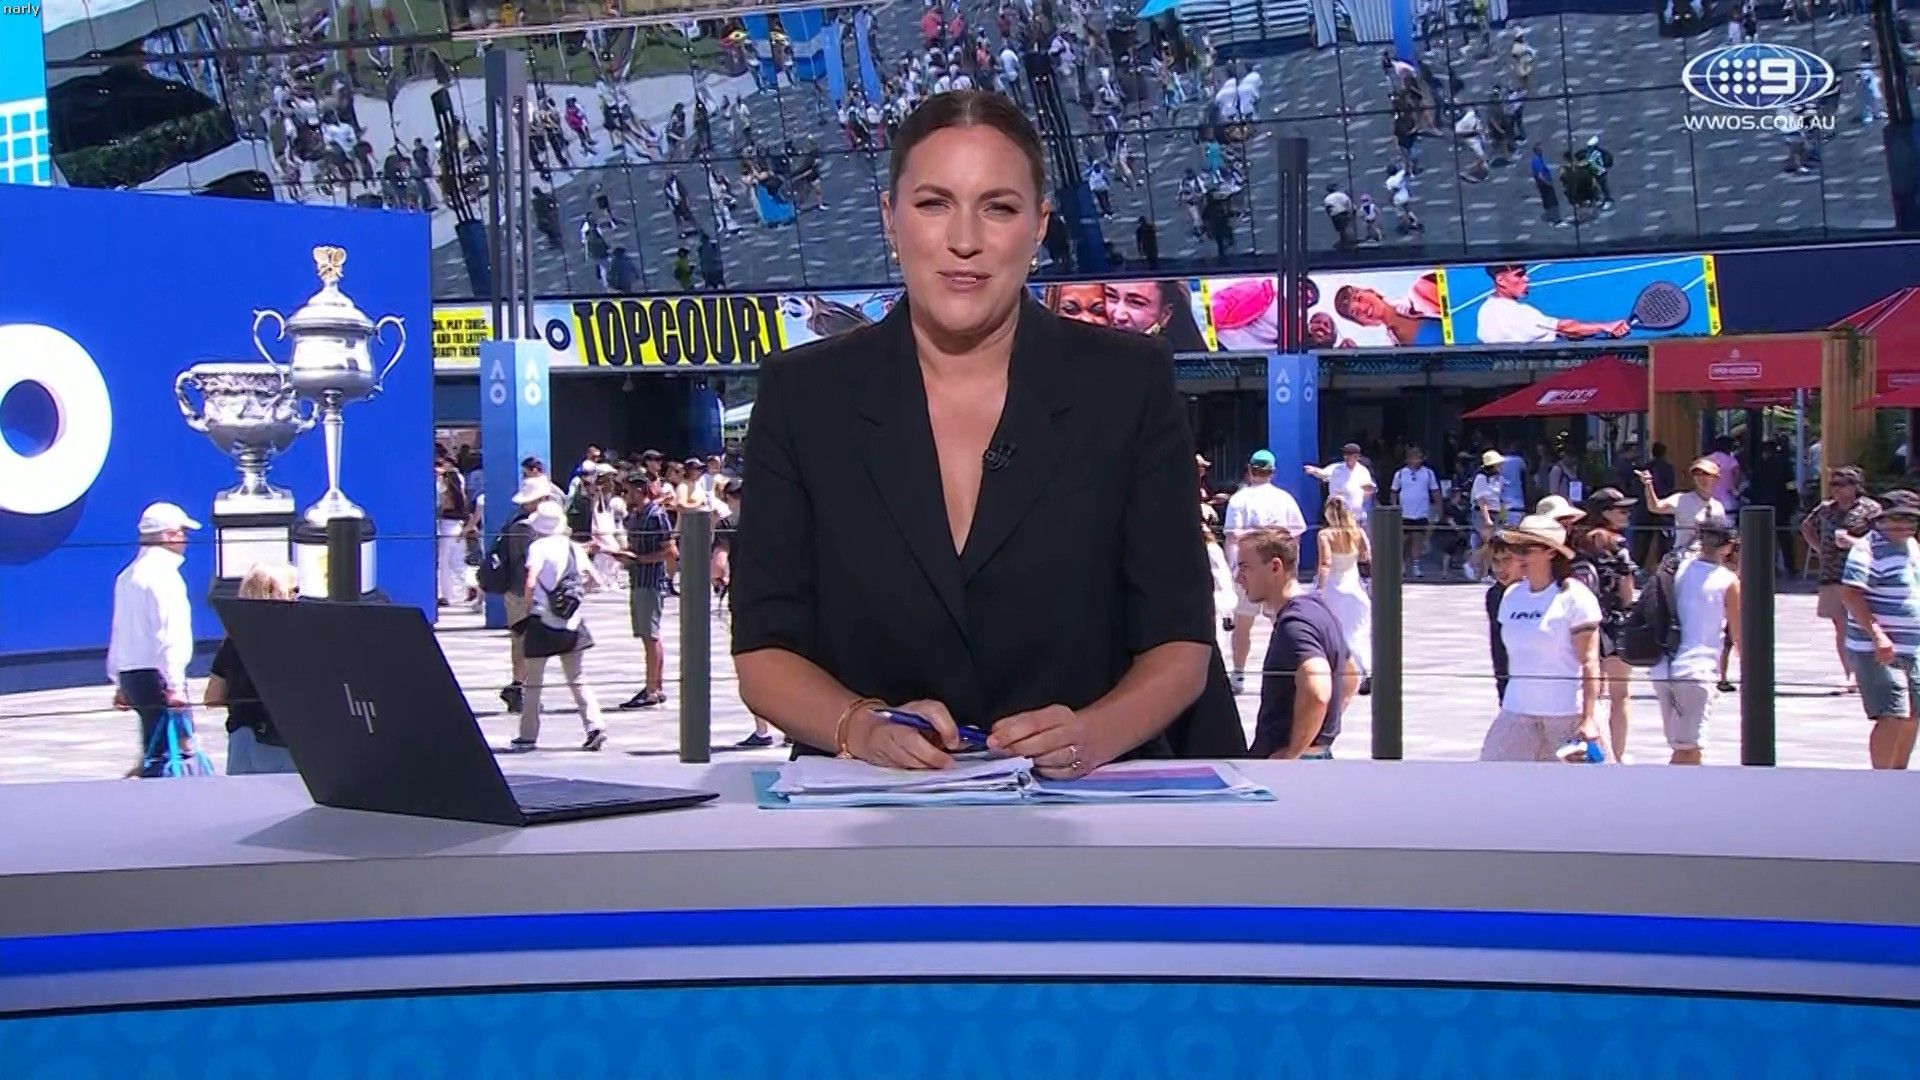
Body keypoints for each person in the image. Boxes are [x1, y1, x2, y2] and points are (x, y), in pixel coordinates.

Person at [729, 90, 1245, 774]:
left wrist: (1093, 735)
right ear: (889, 219)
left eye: (998, 208)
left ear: (1039, 227)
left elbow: (1180, 643)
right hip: (870, 810)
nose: (964, 240)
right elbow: (764, 650)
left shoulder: (1128, 385)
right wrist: (858, 726)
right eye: (933, 204)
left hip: (1088, 808)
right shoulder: (804, 395)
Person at [1479, 514, 1607, 762]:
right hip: (1516, 711)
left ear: (1550, 552)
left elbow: (1590, 662)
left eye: (1526, 549)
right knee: (1492, 779)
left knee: (1581, 785)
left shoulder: (1575, 596)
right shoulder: (1511, 596)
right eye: (1515, 548)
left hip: (1567, 714)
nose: (1518, 556)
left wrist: (1589, 719)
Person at [108, 502, 213, 778]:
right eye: (182, 532)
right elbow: (171, 633)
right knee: (179, 750)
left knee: (154, 747)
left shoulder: (127, 576)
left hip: (132, 674)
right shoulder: (165, 576)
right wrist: (176, 685)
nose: (185, 540)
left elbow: (120, 631)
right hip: (159, 675)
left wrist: (119, 682)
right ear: (169, 535)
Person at [1237, 529, 1355, 759]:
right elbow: (1350, 676)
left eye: (1244, 567)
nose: (1238, 578)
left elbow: (1317, 691)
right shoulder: (1317, 608)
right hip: (1313, 758)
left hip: (1291, 765)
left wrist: (1293, 754)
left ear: (1275, 567)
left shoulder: (1295, 623)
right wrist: (1320, 736)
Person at [508, 501, 610, 752]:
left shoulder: (538, 547)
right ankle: (595, 726)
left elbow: (531, 581)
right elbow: (596, 580)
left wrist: (529, 605)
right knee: (577, 677)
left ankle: (528, 734)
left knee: (533, 682)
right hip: (572, 623)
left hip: (541, 621)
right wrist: (572, 597)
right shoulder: (573, 547)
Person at [1838, 491, 1920, 770]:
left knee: (1913, 714)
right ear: (1881, 520)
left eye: (1910, 519)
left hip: (1912, 646)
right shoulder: (1867, 548)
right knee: (1892, 713)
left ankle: (1898, 776)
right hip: (1877, 648)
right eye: (1896, 519)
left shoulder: (1911, 545)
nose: (1904, 525)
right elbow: (1850, 595)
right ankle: (1880, 780)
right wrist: (1877, 635)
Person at [1652, 517, 1740, 766]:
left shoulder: (1676, 569)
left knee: (1684, 748)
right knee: (1687, 750)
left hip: (1663, 667)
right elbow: (1739, 634)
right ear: (1728, 546)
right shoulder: (1728, 581)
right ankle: (1671, 791)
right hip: (1696, 671)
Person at [1223, 450, 1309, 692]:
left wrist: (1232, 570)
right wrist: (1292, 571)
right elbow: (1295, 538)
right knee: (1284, 624)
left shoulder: (1239, 500)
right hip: (1277, 570)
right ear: (1273, 472)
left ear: (1250, 470)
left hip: (1248, 570)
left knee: (1242, 625)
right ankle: (1288, 674)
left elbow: (1232, 537)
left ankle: (1238, 675)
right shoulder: (1285, 499)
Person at [205, 562, 301, 775]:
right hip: (280, 743)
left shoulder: (232, 642)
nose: (297, 596)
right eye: (294, 590)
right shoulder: (294, 641)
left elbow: (212, 697)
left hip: (241, 743)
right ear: (279, 593)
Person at [1569, 488, 1640, 761]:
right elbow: (1626, 590)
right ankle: (1617, 756)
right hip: (1614, 623)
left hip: (1583, 624)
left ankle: (1594, 753)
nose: (1627, 514)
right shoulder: (1617, 543)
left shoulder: (1578, 541)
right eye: (1621, 510)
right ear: (1605, 513)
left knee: (1591, 694)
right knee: (1620, 695)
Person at [1803, 466, 1879, 695]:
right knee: (1841, 625)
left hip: (1860, 574)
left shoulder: (1870, 509)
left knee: (1864, 623)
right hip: (1832, 574)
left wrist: (1853, 542)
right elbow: (1806, 526)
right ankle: (1850, 674)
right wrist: (1819, 548)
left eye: (1841, 484)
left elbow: (1880, 537)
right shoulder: (1826, 509)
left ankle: (1869, 672)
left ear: (1856, 486)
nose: (1836, 489)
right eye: (1833, 484)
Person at [1316, 497, 1373, 686]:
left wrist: (1318, 589)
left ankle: (1339, 674)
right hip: (1355, 590)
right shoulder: (1358, 532)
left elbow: (1326, 563)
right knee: (1357, 633)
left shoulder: (1325, 535)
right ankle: (1366, 670)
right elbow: (1367, 557)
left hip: (1334, 589)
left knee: (1334, 633)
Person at [1639, 456, 1726, 556]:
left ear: (1715, 478)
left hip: (1709, 559)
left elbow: (1721, 537)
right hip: (1684, 556)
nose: (1700, 478)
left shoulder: (1718, 507)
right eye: (1696, 474)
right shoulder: (1682, 499)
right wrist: (1648, 485)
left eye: (1706, 474)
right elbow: (1655, 507)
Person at [1390, 445, 1441, 576]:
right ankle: (1401, 565)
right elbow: (1394, 492)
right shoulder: (1400, 473)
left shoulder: (1428, 473)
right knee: (1402, 541)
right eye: (1413, 456)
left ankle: (1416, 566)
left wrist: (1439, 508)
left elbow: (1435, 491)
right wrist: (1395, 508)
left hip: (1421, 513)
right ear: (1407, 459)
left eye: (1419, 456)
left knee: (1417, 541)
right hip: (1404, 513)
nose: (1416, 459)